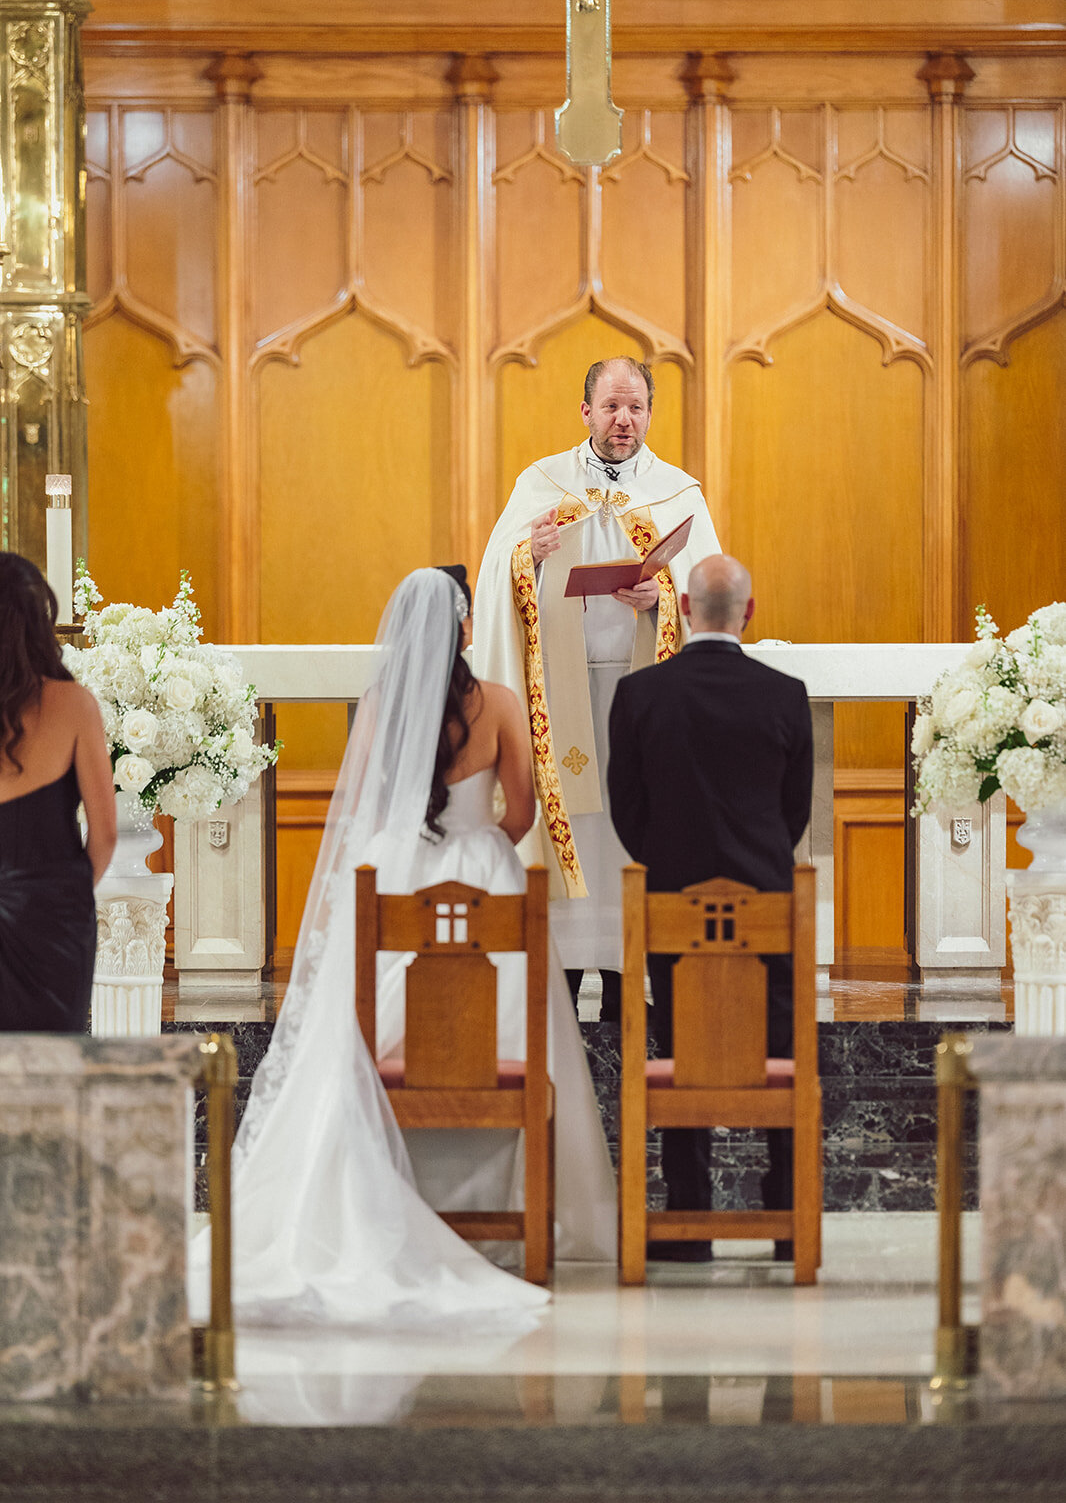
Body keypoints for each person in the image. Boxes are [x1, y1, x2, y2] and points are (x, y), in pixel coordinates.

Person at [192, 565, 612, 1330]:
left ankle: (378, 1202)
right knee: (515, 1023)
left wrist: (409, 849)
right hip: (488, 876)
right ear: (463, 628)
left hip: (392, 868)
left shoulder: (381, 707)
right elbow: (522, 810)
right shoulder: (503, 705)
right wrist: (479, 848)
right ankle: (514, 1218)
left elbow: (364, 807)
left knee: (357, 1035)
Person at [474, 357, 720, 1020]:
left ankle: (620, 982)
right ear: (585, 411)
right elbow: (497, 571)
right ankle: (568, 969)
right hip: (562, 695)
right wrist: (532, 552)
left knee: (628, 825)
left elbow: (707, 590)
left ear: (650, 412)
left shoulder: (677, 491)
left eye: (636, 407)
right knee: (577, 827)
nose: (624, 420)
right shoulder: (542, 483)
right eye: (612, 406)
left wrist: (660, 596)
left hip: (642, 695)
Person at [607, 554, 813, 1263]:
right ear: (748, 614)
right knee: (780, 1040)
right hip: (767, 900)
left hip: (670, 897)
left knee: (683, 1042)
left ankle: (689, 1208)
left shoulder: (640, 697)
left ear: (686, 612)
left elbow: (626, 809)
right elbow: (795, 812)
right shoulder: (785, 696)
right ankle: (785, 1211)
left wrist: (673, 869)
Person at [0, 552, 116, 1033]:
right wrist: (61, 897)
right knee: (55, 1070)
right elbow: (105, 835)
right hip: (57, 921)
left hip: (54, 911)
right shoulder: (74, 705)